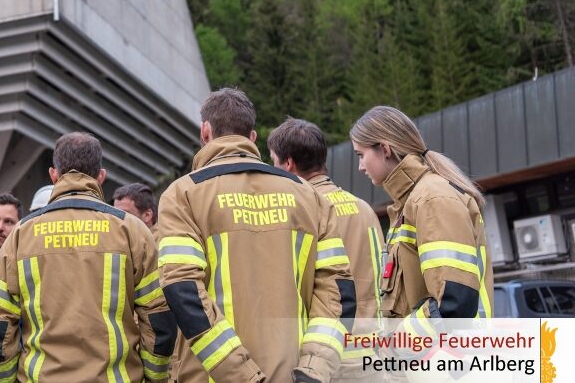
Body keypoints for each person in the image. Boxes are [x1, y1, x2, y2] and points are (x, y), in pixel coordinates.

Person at [156, 88, 354, 383]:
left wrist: (242, 375)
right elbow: (339, 293)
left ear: (205, 132)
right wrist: (313, 372)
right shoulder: (309, 196)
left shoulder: (182, 195)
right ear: (252, 138)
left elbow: (183, 292)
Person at [0, 132, 176, 382]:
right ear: (101, 176)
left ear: (53, 175)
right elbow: (157, 320)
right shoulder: (132, 231)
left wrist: (5, 379)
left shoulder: (21, 235)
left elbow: (1, 324)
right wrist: (155, 378)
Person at [351, 106, 492, 325]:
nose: (360, 167)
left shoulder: (431, 198)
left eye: (361, 155)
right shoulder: (411, 202)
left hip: (451, 355)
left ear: (385, 149)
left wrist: (399, 345)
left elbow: (454, 304)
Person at [269, 117, 384, 372]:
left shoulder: (297, 213)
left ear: (288, 164)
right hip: (371, 359)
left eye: (273, 162)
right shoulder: (365, 209)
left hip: (321, 364)